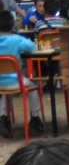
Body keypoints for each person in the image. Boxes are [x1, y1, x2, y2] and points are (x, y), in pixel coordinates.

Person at [0, 10, 44, 138]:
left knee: (5, 94)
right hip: (15, 81)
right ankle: (35, 118)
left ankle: (3, 117)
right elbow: (32, 48)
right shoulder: (16, 40)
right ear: (12, 24)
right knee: (33, 86)